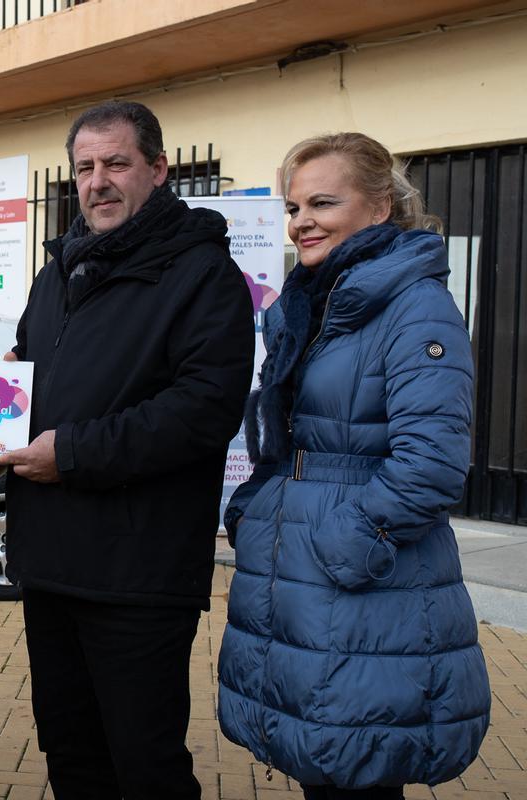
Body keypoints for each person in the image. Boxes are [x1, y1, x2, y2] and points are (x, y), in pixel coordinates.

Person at [217, 133, 491, 797]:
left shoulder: (412, 305)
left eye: (323, 202)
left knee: (357, 771)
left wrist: (343, 543)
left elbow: (433, 462)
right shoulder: (322, 302)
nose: (302, 219)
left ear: (379, 210)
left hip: (364, 584)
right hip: (312, 583)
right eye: (294, 205)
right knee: (328, 765)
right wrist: (258, 510)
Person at [0, 100, 255, 799]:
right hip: (50, 564)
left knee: (145, 766)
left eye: (116, 163)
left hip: (136, 573)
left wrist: (72, 453)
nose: (98, 181)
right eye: (84, 167)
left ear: (159, 169)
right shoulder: (57, 275)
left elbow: (205, 410)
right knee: (73, 757)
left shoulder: (202, 275)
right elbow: (32, 384)